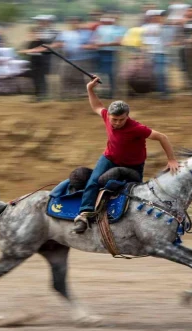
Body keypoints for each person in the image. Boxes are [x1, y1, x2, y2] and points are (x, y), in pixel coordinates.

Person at [73, 77, 179, 234]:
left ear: (127, 116)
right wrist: (90, 89)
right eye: (114, 119)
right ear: (109, 116)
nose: (116, 123)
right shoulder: (107, 117)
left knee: (133, 193)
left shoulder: (136, 128)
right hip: (109, 158)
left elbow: (162, 137)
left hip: (133, 166)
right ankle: (85, 214)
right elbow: (97, 106)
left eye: (121, 120)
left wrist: (171, 159)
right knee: (93, 181)